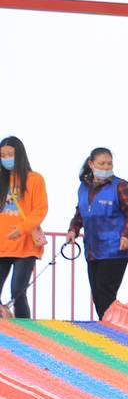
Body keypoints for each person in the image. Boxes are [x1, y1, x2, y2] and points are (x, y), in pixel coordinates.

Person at [66, 147, 128, 319]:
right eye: (101, 163)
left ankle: (113, 330)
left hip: (115, 249)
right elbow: (80, 213)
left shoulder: (120, 186)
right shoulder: (83, 188)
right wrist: (73, 229)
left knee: (105, 292)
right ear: (91, 164)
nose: (106, 167)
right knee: (98, 294)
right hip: (93, 249)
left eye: (109, 164)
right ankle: (107, 326)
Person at [0, 136, 47, 319]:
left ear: (19, 155)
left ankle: (25, 332)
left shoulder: (35, 179)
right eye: (2, 155)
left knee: (18, 292)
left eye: (10, 154)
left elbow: (40, 209)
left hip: (25, 245)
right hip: (2, 245)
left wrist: (22, 228)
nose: (6, 158)